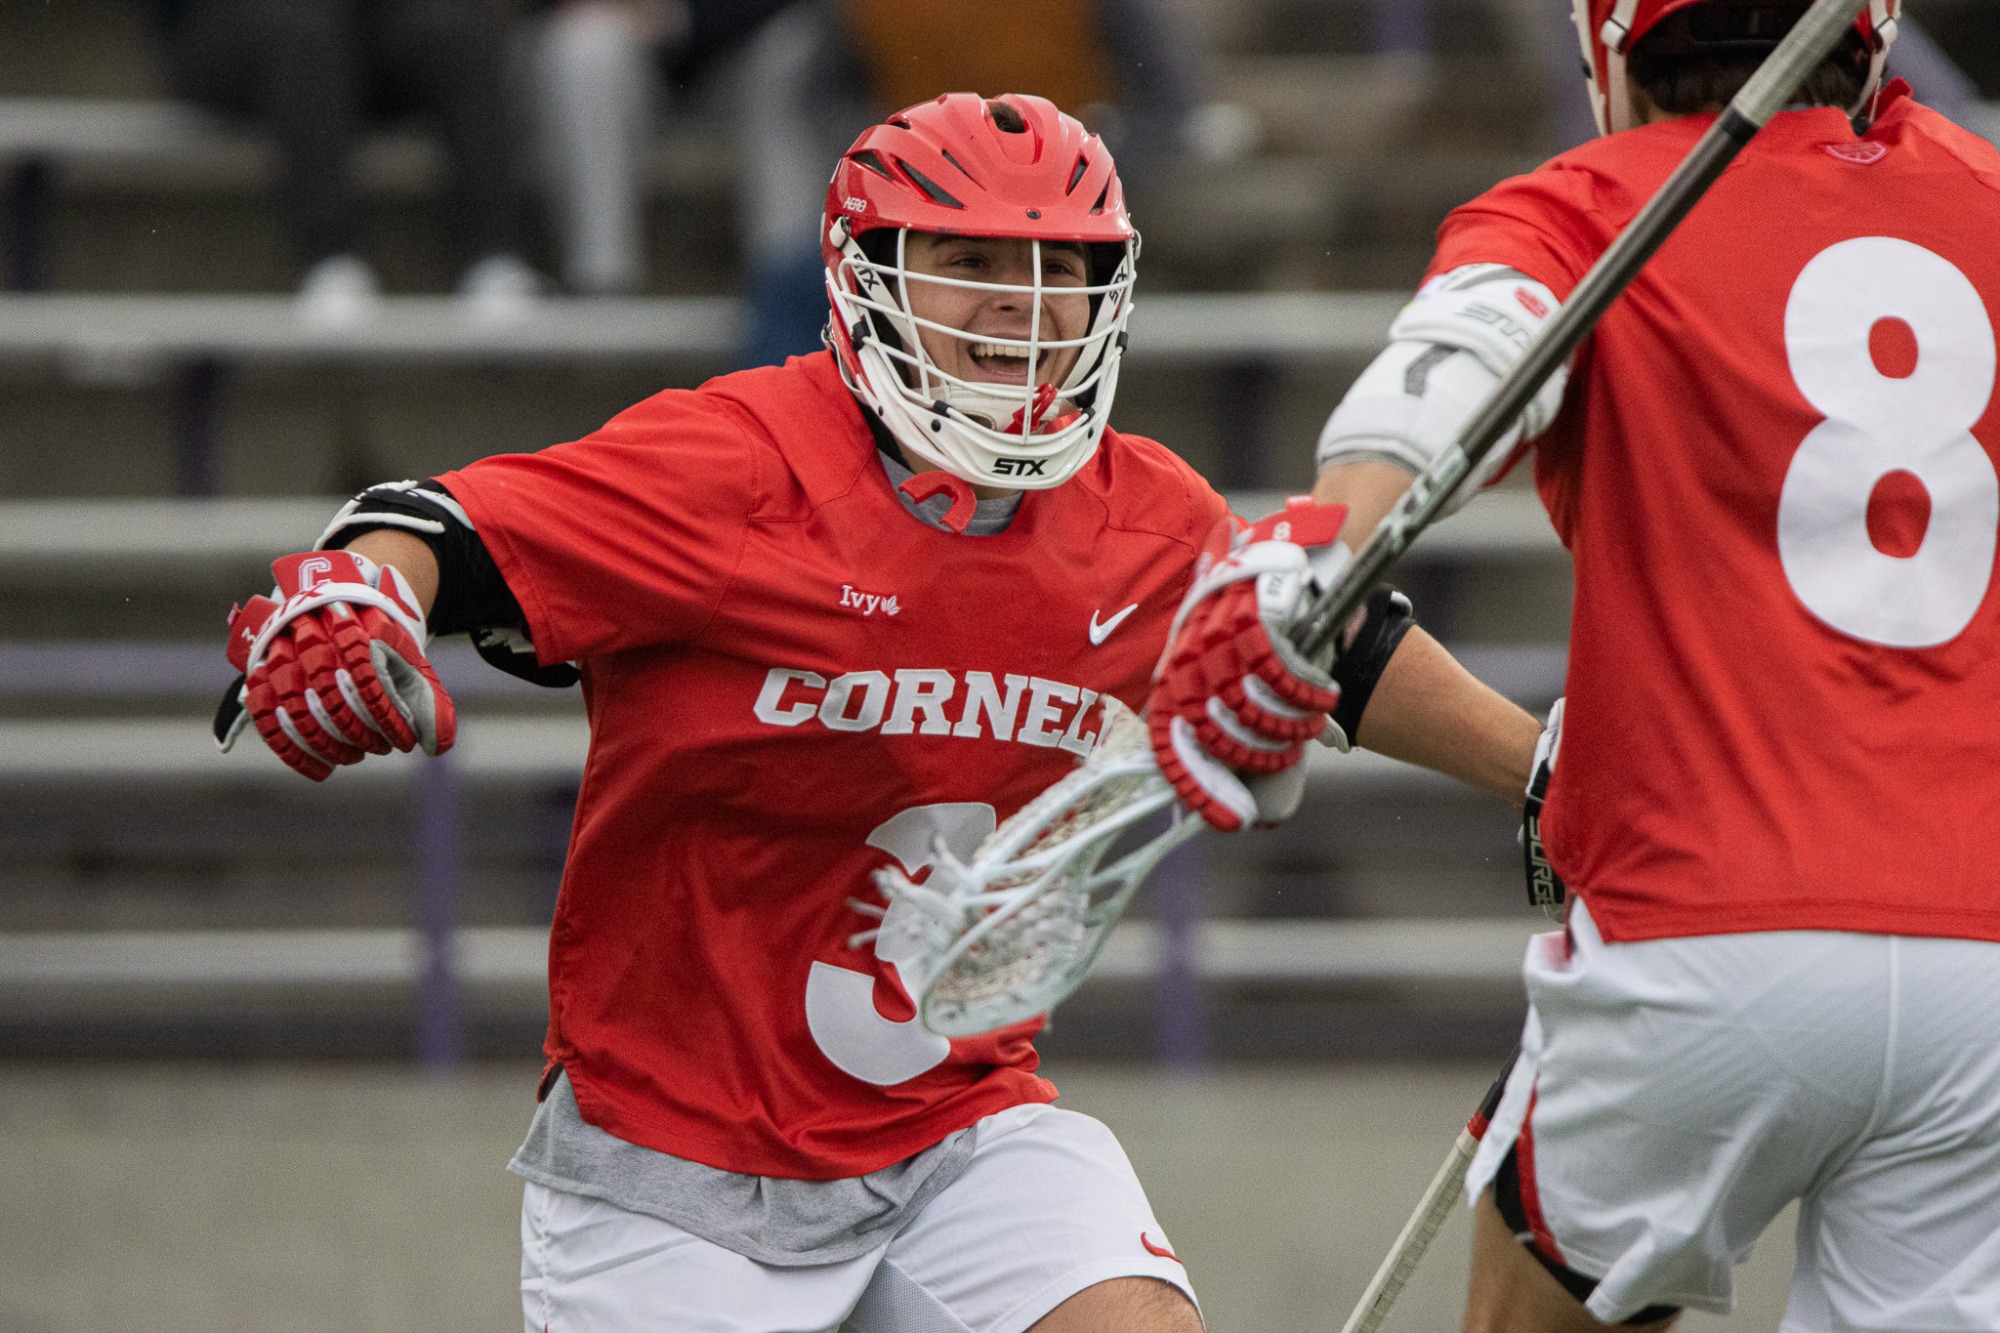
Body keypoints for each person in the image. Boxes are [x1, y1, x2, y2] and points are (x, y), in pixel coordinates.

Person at [213, 91, 1471, 1331]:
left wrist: (1547, 780)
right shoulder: (737, 462)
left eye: (1057, 266)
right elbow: (444, 527)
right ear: (866, 273)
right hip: (674, 1160)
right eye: (970, 258)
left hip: (955, 1128)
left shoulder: (1141, 513)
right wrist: (363, 592)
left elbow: (1332, 634)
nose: (1021, 302)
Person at [1155, 1, 2000, 1330]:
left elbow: (1439, 390)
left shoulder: (1588, 201)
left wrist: (1310, 552)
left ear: (1609, 46)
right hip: (1983, 965)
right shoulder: (1987, 192)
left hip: (1709, 927)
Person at [147, 0, 541, 323]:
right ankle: (330, 258)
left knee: (456, 25)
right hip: (234, 32)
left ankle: (493, 257)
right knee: (304, 27)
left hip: (366, 32)